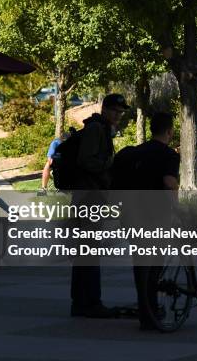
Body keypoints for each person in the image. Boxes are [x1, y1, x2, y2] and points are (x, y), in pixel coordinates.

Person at [113, 112, 179, 330]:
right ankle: (151, 310)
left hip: (130, 214)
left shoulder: (135, 153)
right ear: (169, 131)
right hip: (155, 215)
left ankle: (145, 310)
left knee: (141, 263)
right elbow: (169, 183)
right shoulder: (168, 154)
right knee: (155, 263)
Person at [71, 93, 129, 318]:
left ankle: (83, 301)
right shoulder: (96, 129)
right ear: (105, 109)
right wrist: (109, 165)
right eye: (116, 111)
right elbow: (86, 160)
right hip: (89, 196)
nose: (119, 115)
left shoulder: (103, 128)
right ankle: (90, 301)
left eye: (121, 112)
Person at [38, 128, 74, 195]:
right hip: (56, 162)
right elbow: (50, 158)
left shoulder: (72, 144)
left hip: (68, 162)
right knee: (47, 165)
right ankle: (43, 188)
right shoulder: (55, 143)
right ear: (61, 139)